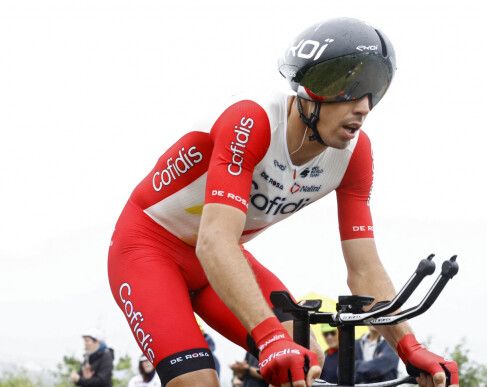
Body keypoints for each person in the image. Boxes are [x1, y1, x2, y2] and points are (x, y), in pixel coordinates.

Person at [108, 17, 459, 387]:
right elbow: (214, 240)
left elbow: (365, 269)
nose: (364, 107)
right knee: (198, 381)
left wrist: (409, 346)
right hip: (149, 249)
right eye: (352, 89)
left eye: (375, 92)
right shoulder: (252, 120)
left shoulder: (354, 156)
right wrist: (268, 336)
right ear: (313, 88)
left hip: (219, 261)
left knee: (304, 357)